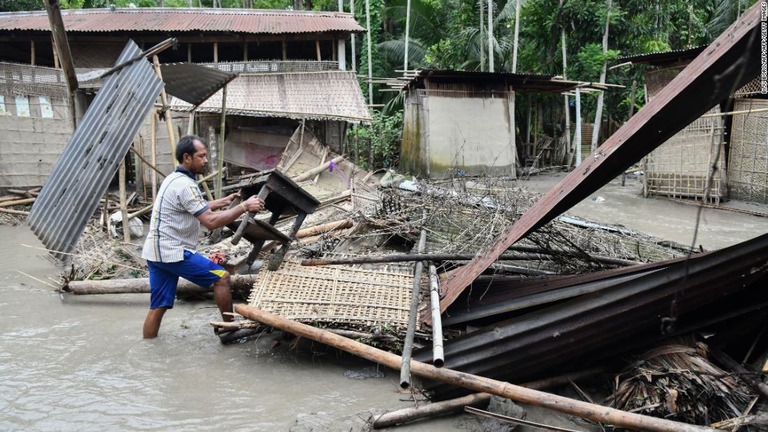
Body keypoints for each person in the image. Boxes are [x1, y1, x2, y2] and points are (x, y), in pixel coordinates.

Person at [142, 135, 265, 339]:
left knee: (158, 306)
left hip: (155, 252)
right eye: (202, 156)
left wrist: (222, 202)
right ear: (187, 158)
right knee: (222, 278)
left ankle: (148, 346)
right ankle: (230, 330)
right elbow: (211, 222)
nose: (206, 160)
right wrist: (244, 207)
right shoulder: (186, 185)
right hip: (173, 252)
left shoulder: (174, 179)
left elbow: (194, 206)